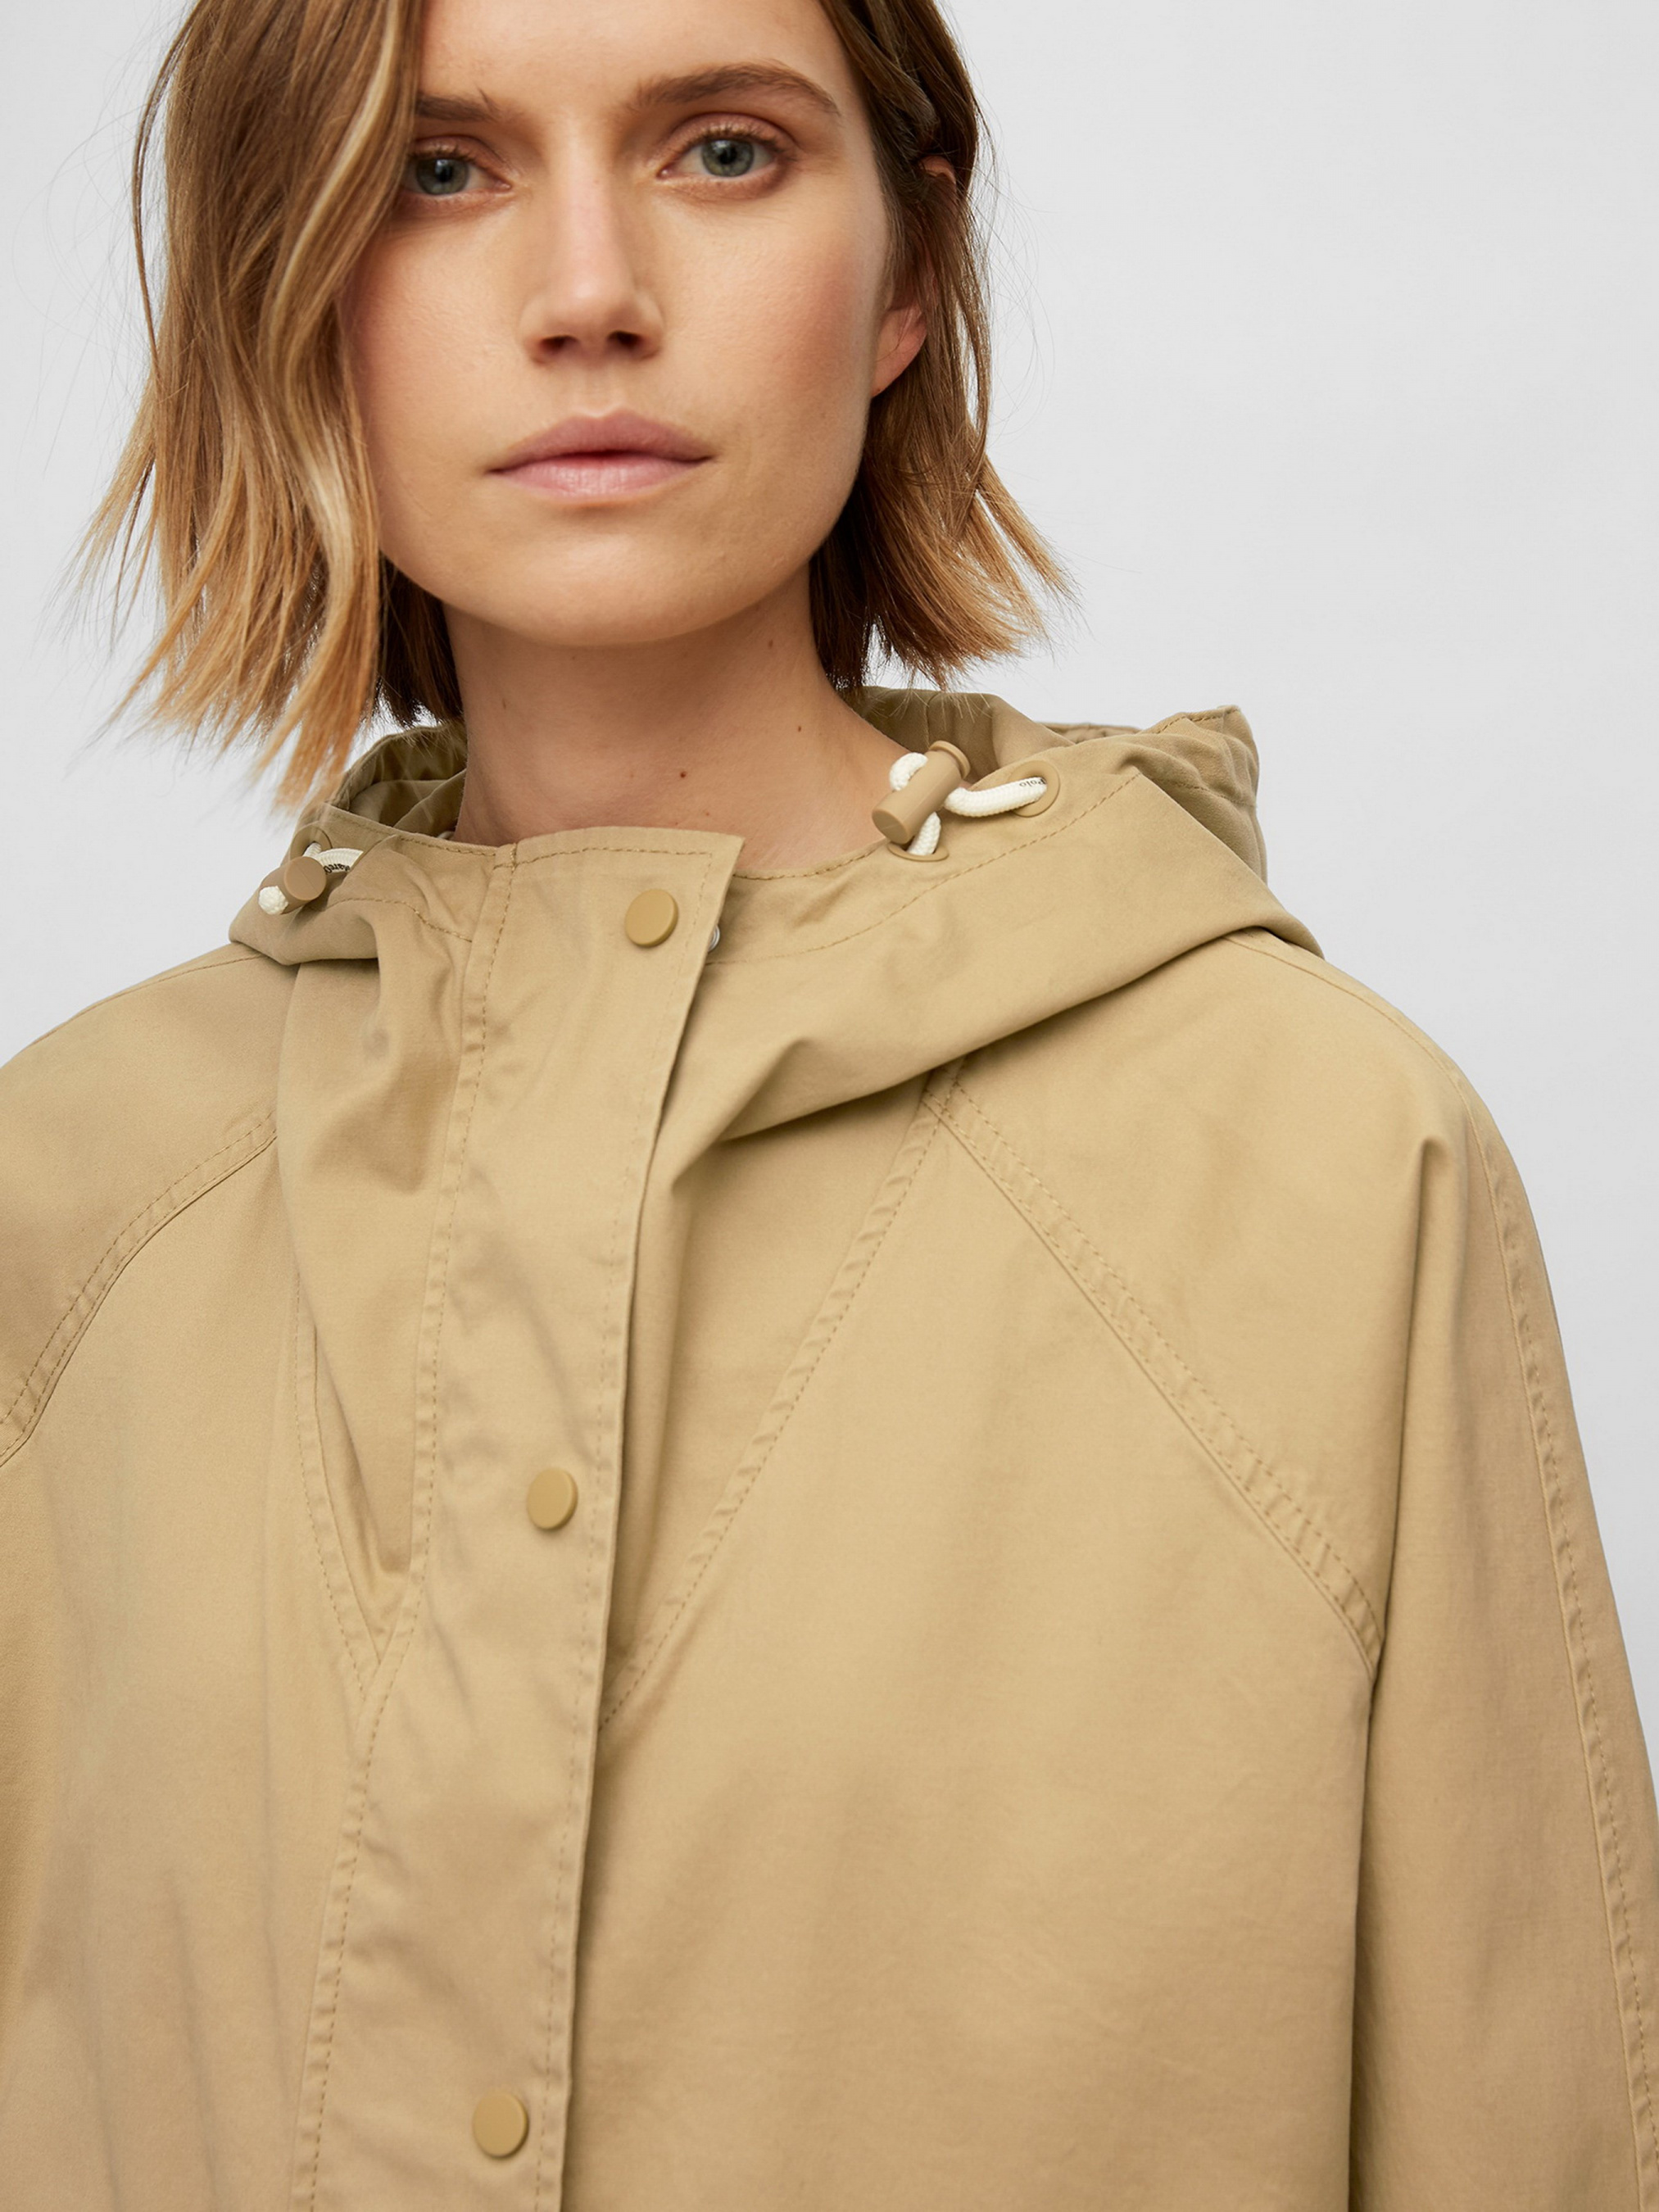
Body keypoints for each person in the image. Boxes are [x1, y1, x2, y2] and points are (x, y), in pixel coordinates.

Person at [2, 0, 1654, 2202]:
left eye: (722, 151)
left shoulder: (1333, 1166)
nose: (589, 293)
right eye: (437, 170)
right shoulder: (69, 1205)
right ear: (279, 283)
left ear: (904, 274)